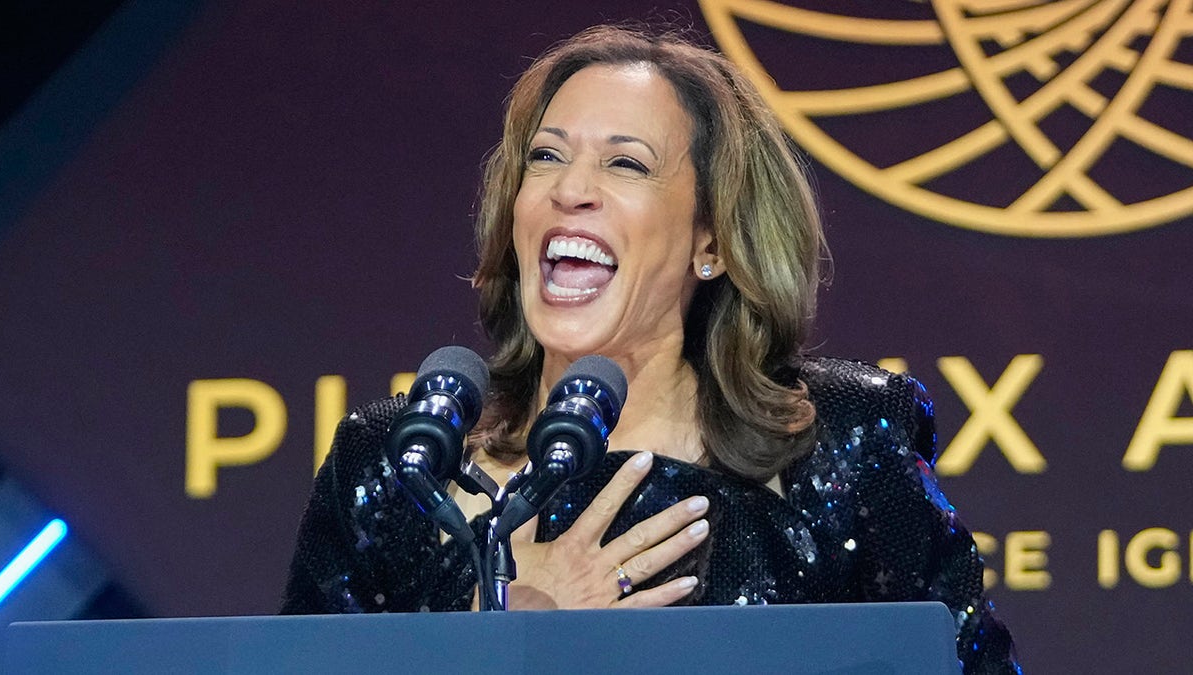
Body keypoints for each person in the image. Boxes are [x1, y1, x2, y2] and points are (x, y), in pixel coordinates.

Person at [281, 25, 1020, 673]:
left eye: (625, 164)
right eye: (545, 157)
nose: (571, 189)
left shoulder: (836, 446)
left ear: (713, 240)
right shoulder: (398, 462)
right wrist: (492, 626)